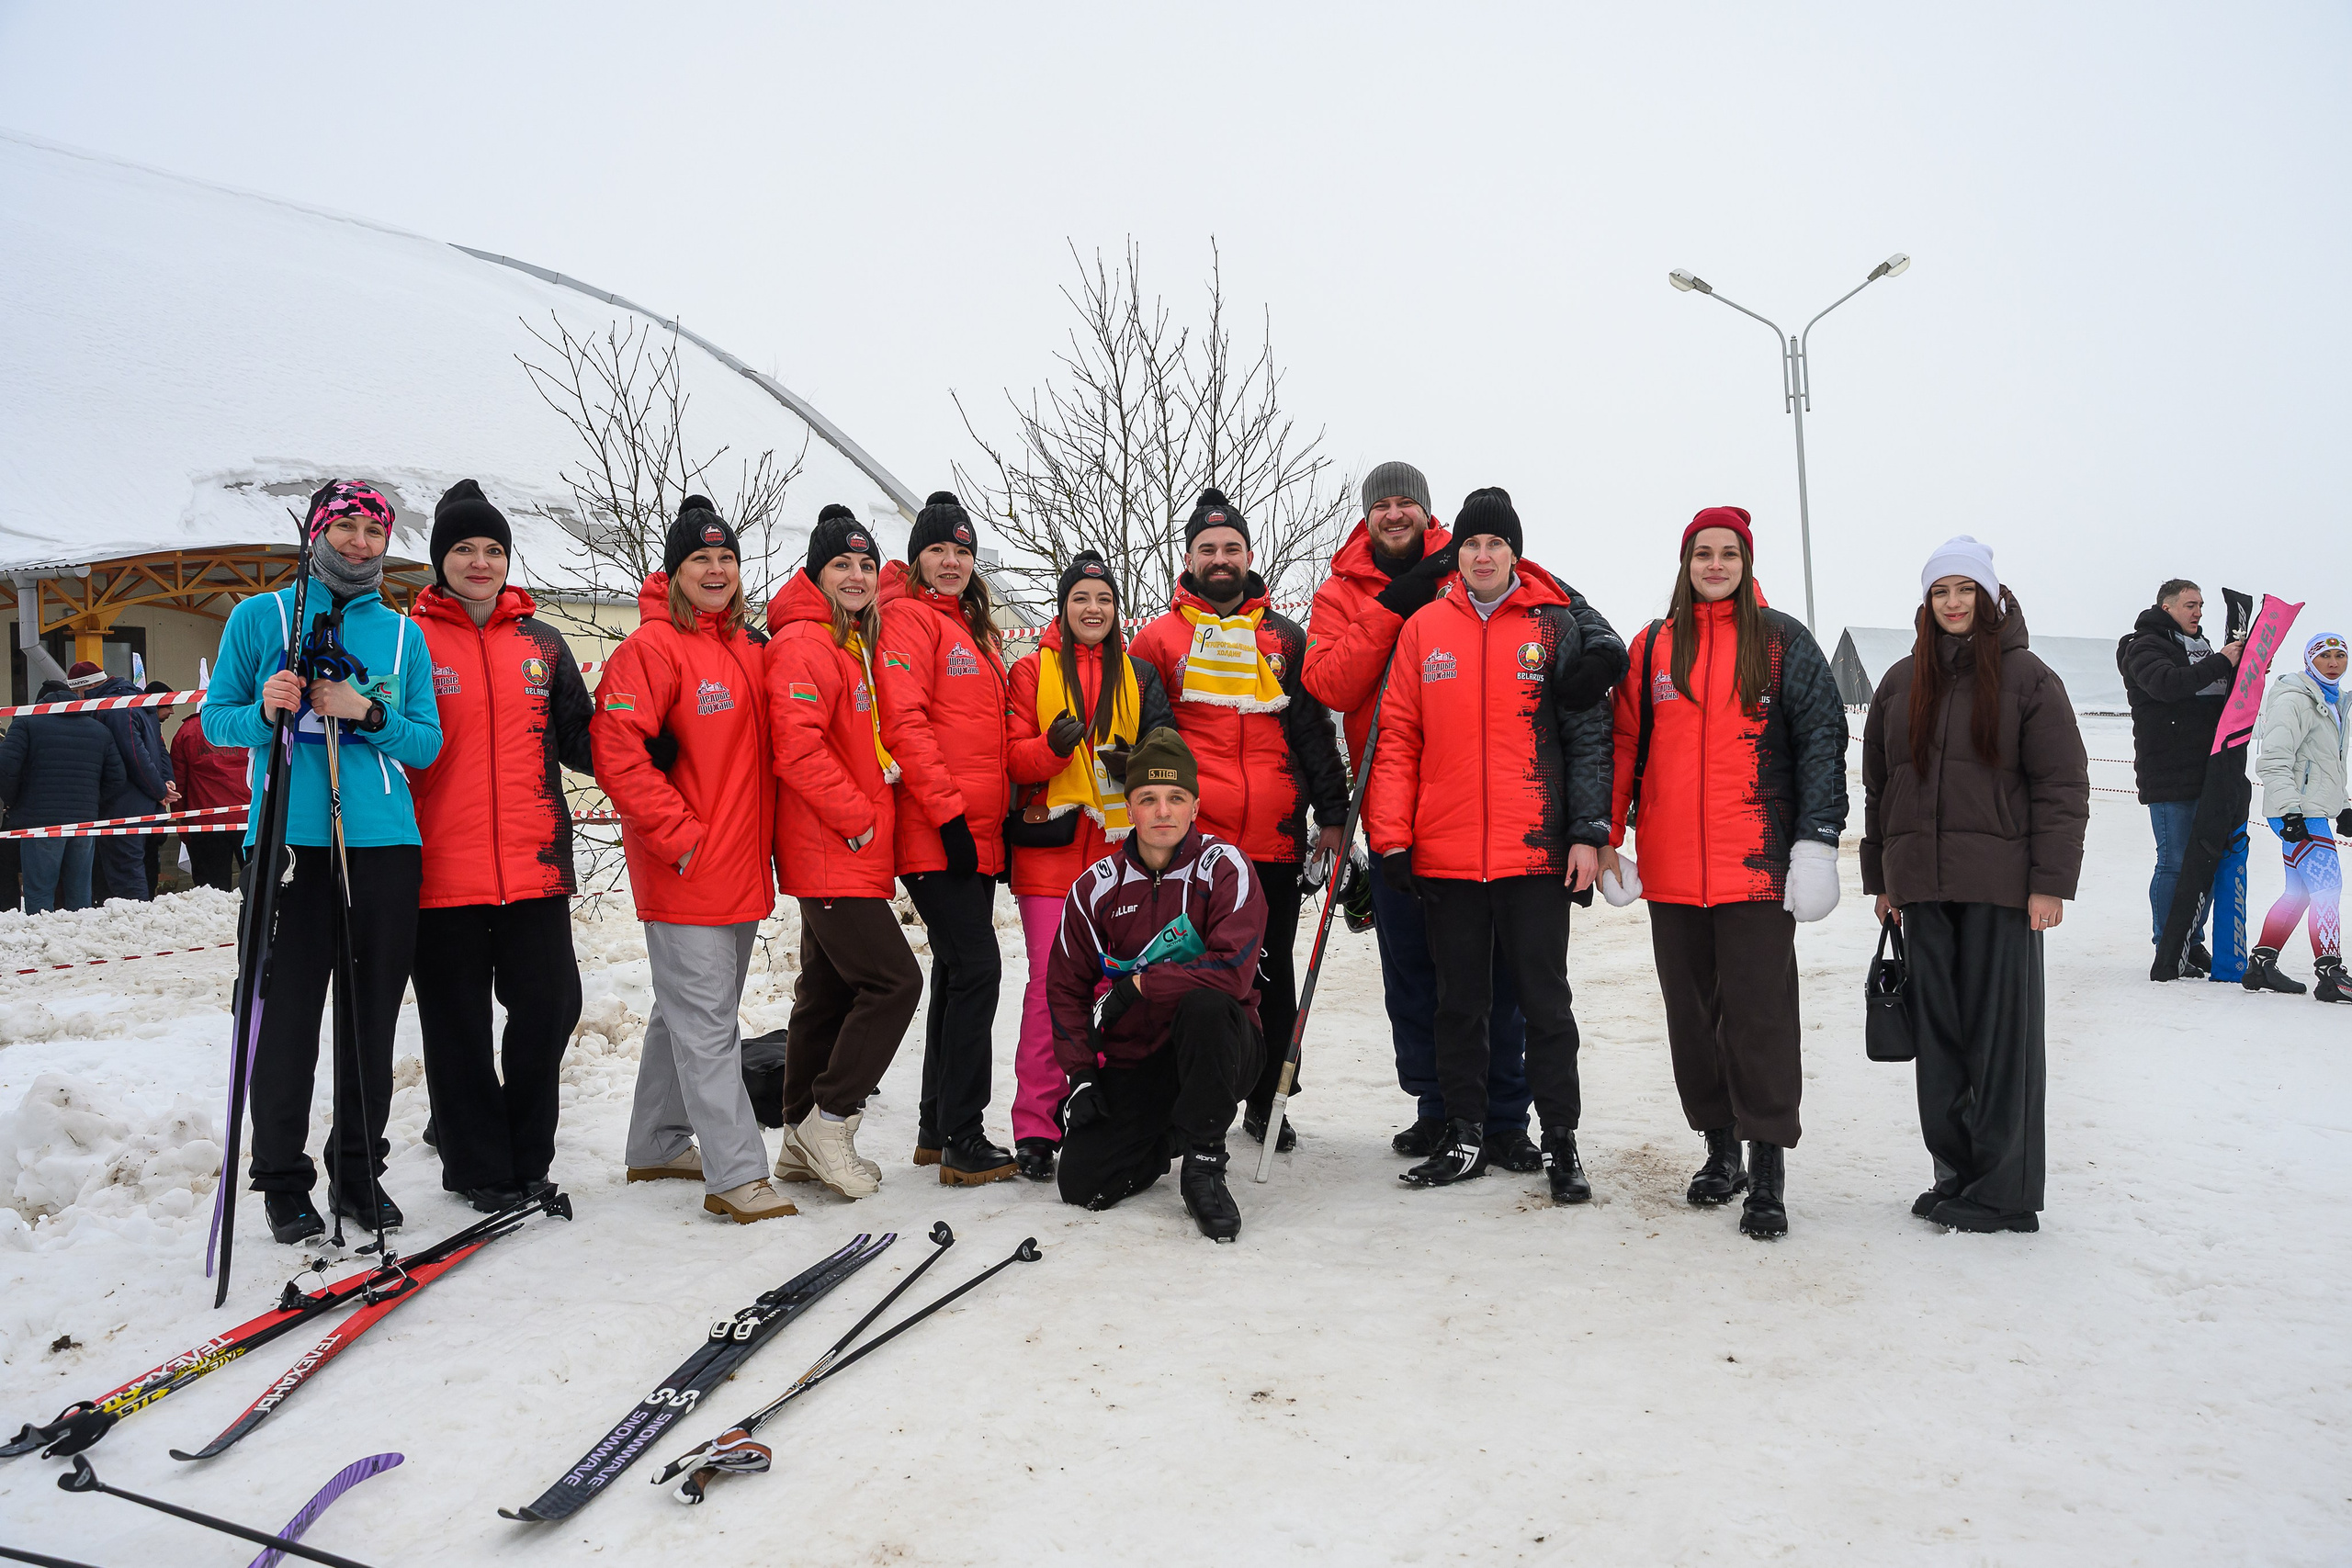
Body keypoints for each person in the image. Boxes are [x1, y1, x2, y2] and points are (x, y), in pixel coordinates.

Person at [1363, 488, 1622, 1202]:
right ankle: (1466, 1132)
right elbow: (1398, 740)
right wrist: (1391, 839)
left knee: (1544, 1003)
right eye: (1472, 543)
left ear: (1515, 553)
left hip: (1535, 854)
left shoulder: (1553, 625)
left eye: (1496, 545)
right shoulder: (1424, 628)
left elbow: (1588, 736)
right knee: (1460, 1004)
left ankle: (1561, 1141)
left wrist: (1588, 834)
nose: (1482, 555)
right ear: (1459, 553)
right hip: (1446, 857)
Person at [1600, 508, 1848, 1239]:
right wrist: (1611, 836)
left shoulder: (1781, 643)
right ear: (1686, 562)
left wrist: (1817, 842)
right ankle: (1720, 1150)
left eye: (1727, 553)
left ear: (1745, 561)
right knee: (1692, 1020)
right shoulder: (1653, 647)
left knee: (1759, 1021)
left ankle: (1767, 1169)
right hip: (1674, 873)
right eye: (1702, 553)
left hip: (1756, 866)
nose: (1714, 564)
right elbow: (1622, 745)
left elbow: (1821, 740)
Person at [204, 480, 442, 1244]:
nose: (359, 543)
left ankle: (355, 1167)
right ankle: (280, 1177)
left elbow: (426, 742)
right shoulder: (260, 616)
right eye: (344, 527)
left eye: (373, 531)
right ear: (317, 531)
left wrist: (367, 712)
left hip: (381, 844)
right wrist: (265, 709)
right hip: (288, 844)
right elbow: (216, 721)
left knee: (370, 1016)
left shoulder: (403, 634)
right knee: (288, 1019)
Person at [1305, 461, 1555, 1169]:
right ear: (1367, 515)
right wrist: (1396, 602)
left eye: (1405, 503)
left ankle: (1505, 1113)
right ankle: (1438, 1106)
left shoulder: (1472, 556)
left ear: (1425, 511)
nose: (1394, 514)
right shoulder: (1338, 591)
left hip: (1478, 806)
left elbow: (1551, 605)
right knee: (1412, 971)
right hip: (1390, 803)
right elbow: (1329, 680)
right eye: (1381, 504)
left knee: (1490, 976)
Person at [1861, 536, 2087, 1235]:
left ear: (1990, 596)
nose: (1954, 602)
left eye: (1966, 589)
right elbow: (1880, 786)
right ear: (1927, 603)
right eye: (1941, 591)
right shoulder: (1901, 682)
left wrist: (2050, 883)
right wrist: (1883, 877)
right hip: (1923, 887)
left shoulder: (2029, 678)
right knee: (1942, 1038)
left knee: (2000, 1040)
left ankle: (2006, 1190)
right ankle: (1957, 1172)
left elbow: (2061, 787)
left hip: (2001, 889)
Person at [1128, 488, 1347, 1151]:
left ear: (1248, 556)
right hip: (1196, 848)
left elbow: (1312, 733)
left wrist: (1333, 815)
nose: (1219, 559)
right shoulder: (1158, 638)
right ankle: (1182, 1095)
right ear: (1187, 558)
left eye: (1230, 548)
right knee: (1188, 973)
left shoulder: (1283, 636)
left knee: (1270, 971)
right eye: (1206, 549)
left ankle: (1269, 1099)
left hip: (1275, 840)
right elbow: (1145, 742)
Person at [593, 496, 788, 1224]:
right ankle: (737, 1173)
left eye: (726, 558)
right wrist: (681, 836)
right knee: (708, 1023)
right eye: (701, 558)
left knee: (686, 1015)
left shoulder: (749, 647)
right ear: (674, 571)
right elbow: (617, 752)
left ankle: (654, 1141)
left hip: (737, 868)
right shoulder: (650, 649)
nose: (716, 569)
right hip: (685, 866)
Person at [407, 480, 597, 1211]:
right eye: (464, 548)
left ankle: (527, 1152)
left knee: (550, 1007)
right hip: (438, 871)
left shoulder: (542, 644)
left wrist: (653, 737)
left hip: (534, 865)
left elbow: (581, 738)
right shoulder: (410, 640)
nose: (480, 561)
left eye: (493, 549)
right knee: (456, 1027)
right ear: (439, 559)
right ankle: (479, 1164)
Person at [1048, 727, 1269, 1242]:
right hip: (1140, 1061)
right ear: (1130, 807)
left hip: (1224, 1049)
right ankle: (1167, 1132)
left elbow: (1234, 972)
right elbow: (1064, 987)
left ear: (1195, 805)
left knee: (1206, 1006)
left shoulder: (1224, 867)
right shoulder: (1095, 887)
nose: (1163, 812)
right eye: (1148, 798)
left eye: (1176, 798)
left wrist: (1141, 986)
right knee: (1082, 1183)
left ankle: (1203, 1165)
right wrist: (1080, 1075)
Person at [764, 506, 923, 1202]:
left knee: (825, 992)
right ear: (815, 572)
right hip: (832, 847)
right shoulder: (804, 642)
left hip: (845, 849)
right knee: (895, 982)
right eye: (841, 565)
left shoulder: (846, 639)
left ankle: (799, 1130)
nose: (857, 575)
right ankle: (833, 1118)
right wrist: (858, 820)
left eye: (865, 564)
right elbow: (797, 746)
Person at [1004, 550, 1175, 1182]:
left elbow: (1168, 756)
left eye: (1103, 599)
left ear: (1116, 607)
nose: (1093, 609)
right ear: (1064, 605)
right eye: (1081, 598)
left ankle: (1101, 1110)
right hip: (1050, 855)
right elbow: (1014, 760)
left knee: (1114, 988)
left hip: (1117, 857)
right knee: (1051, 989)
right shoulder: (1030, 670)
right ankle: (1035, 1126)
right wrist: (1051, 748)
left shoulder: (1140, 674)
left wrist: (1141, 765)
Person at [875, 491, 1016, 1184]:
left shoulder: (974, 629)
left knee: (959, 972)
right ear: (917, 558)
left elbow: (991, 740)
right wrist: (950, 817)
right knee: (979, 970)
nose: (952, 561)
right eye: (939, 550)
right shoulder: (907, 620)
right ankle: (963, 1135)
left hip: (975, 836)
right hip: (938, 834)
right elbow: (905, 724)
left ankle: (937, 1127)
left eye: (962, 550)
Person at [2119, 580, 2245, 976]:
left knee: (2204, 861)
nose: (2199, 612)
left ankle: (2192, 941)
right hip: (2168, 772)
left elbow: (2217, 699)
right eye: (2190, 605)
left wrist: (2243, 672)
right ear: (2167, 606)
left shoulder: (2204, 648)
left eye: (2202, 606)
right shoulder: (2144, 646)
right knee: (2174, 862)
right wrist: (2222, 661)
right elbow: (2168, 686)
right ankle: (2167, 944)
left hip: (2209, 771)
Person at [2245, 633, 2352, 1001]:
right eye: (2325, 656)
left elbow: (2327, 764)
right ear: (2310, 661)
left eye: (2341, 656)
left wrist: (2344, 804)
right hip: (2297, 811)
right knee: (2327, 887)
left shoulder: (2333, 701)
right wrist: (2291, 812)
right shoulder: (2295, 699)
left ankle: (2261, 964)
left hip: (2312, 809)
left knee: (2301, 891)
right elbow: (2274, 759)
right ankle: (2330, 973)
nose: (2334, 663)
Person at [0, 671, 124, 913]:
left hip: (39, 822)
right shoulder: (98, 730)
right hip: (84, 822)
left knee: (39, 892)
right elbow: (117, 777)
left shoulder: (25, 722)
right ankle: (81, 941)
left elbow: (6, 768)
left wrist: (14, 802)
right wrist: (91, 802)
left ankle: (42, 942)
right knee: (80, 892)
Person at [85, 663, 175, 904]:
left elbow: (134, 754)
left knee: (125, 872)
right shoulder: (141, 704)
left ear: (89, 687)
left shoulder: (115, 708)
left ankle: (136, 923)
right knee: (136, 867)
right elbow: (159, 749)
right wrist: (165, 782)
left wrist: (159, 789)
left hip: (123, 804)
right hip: (145, 804)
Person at [169, 684, 252, 892]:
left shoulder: (187, 731)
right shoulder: (247, 723)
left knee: (211, 892)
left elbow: (179, 785)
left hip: (205, 823)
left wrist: (182, 825)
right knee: (258, 887)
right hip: (249, 819)